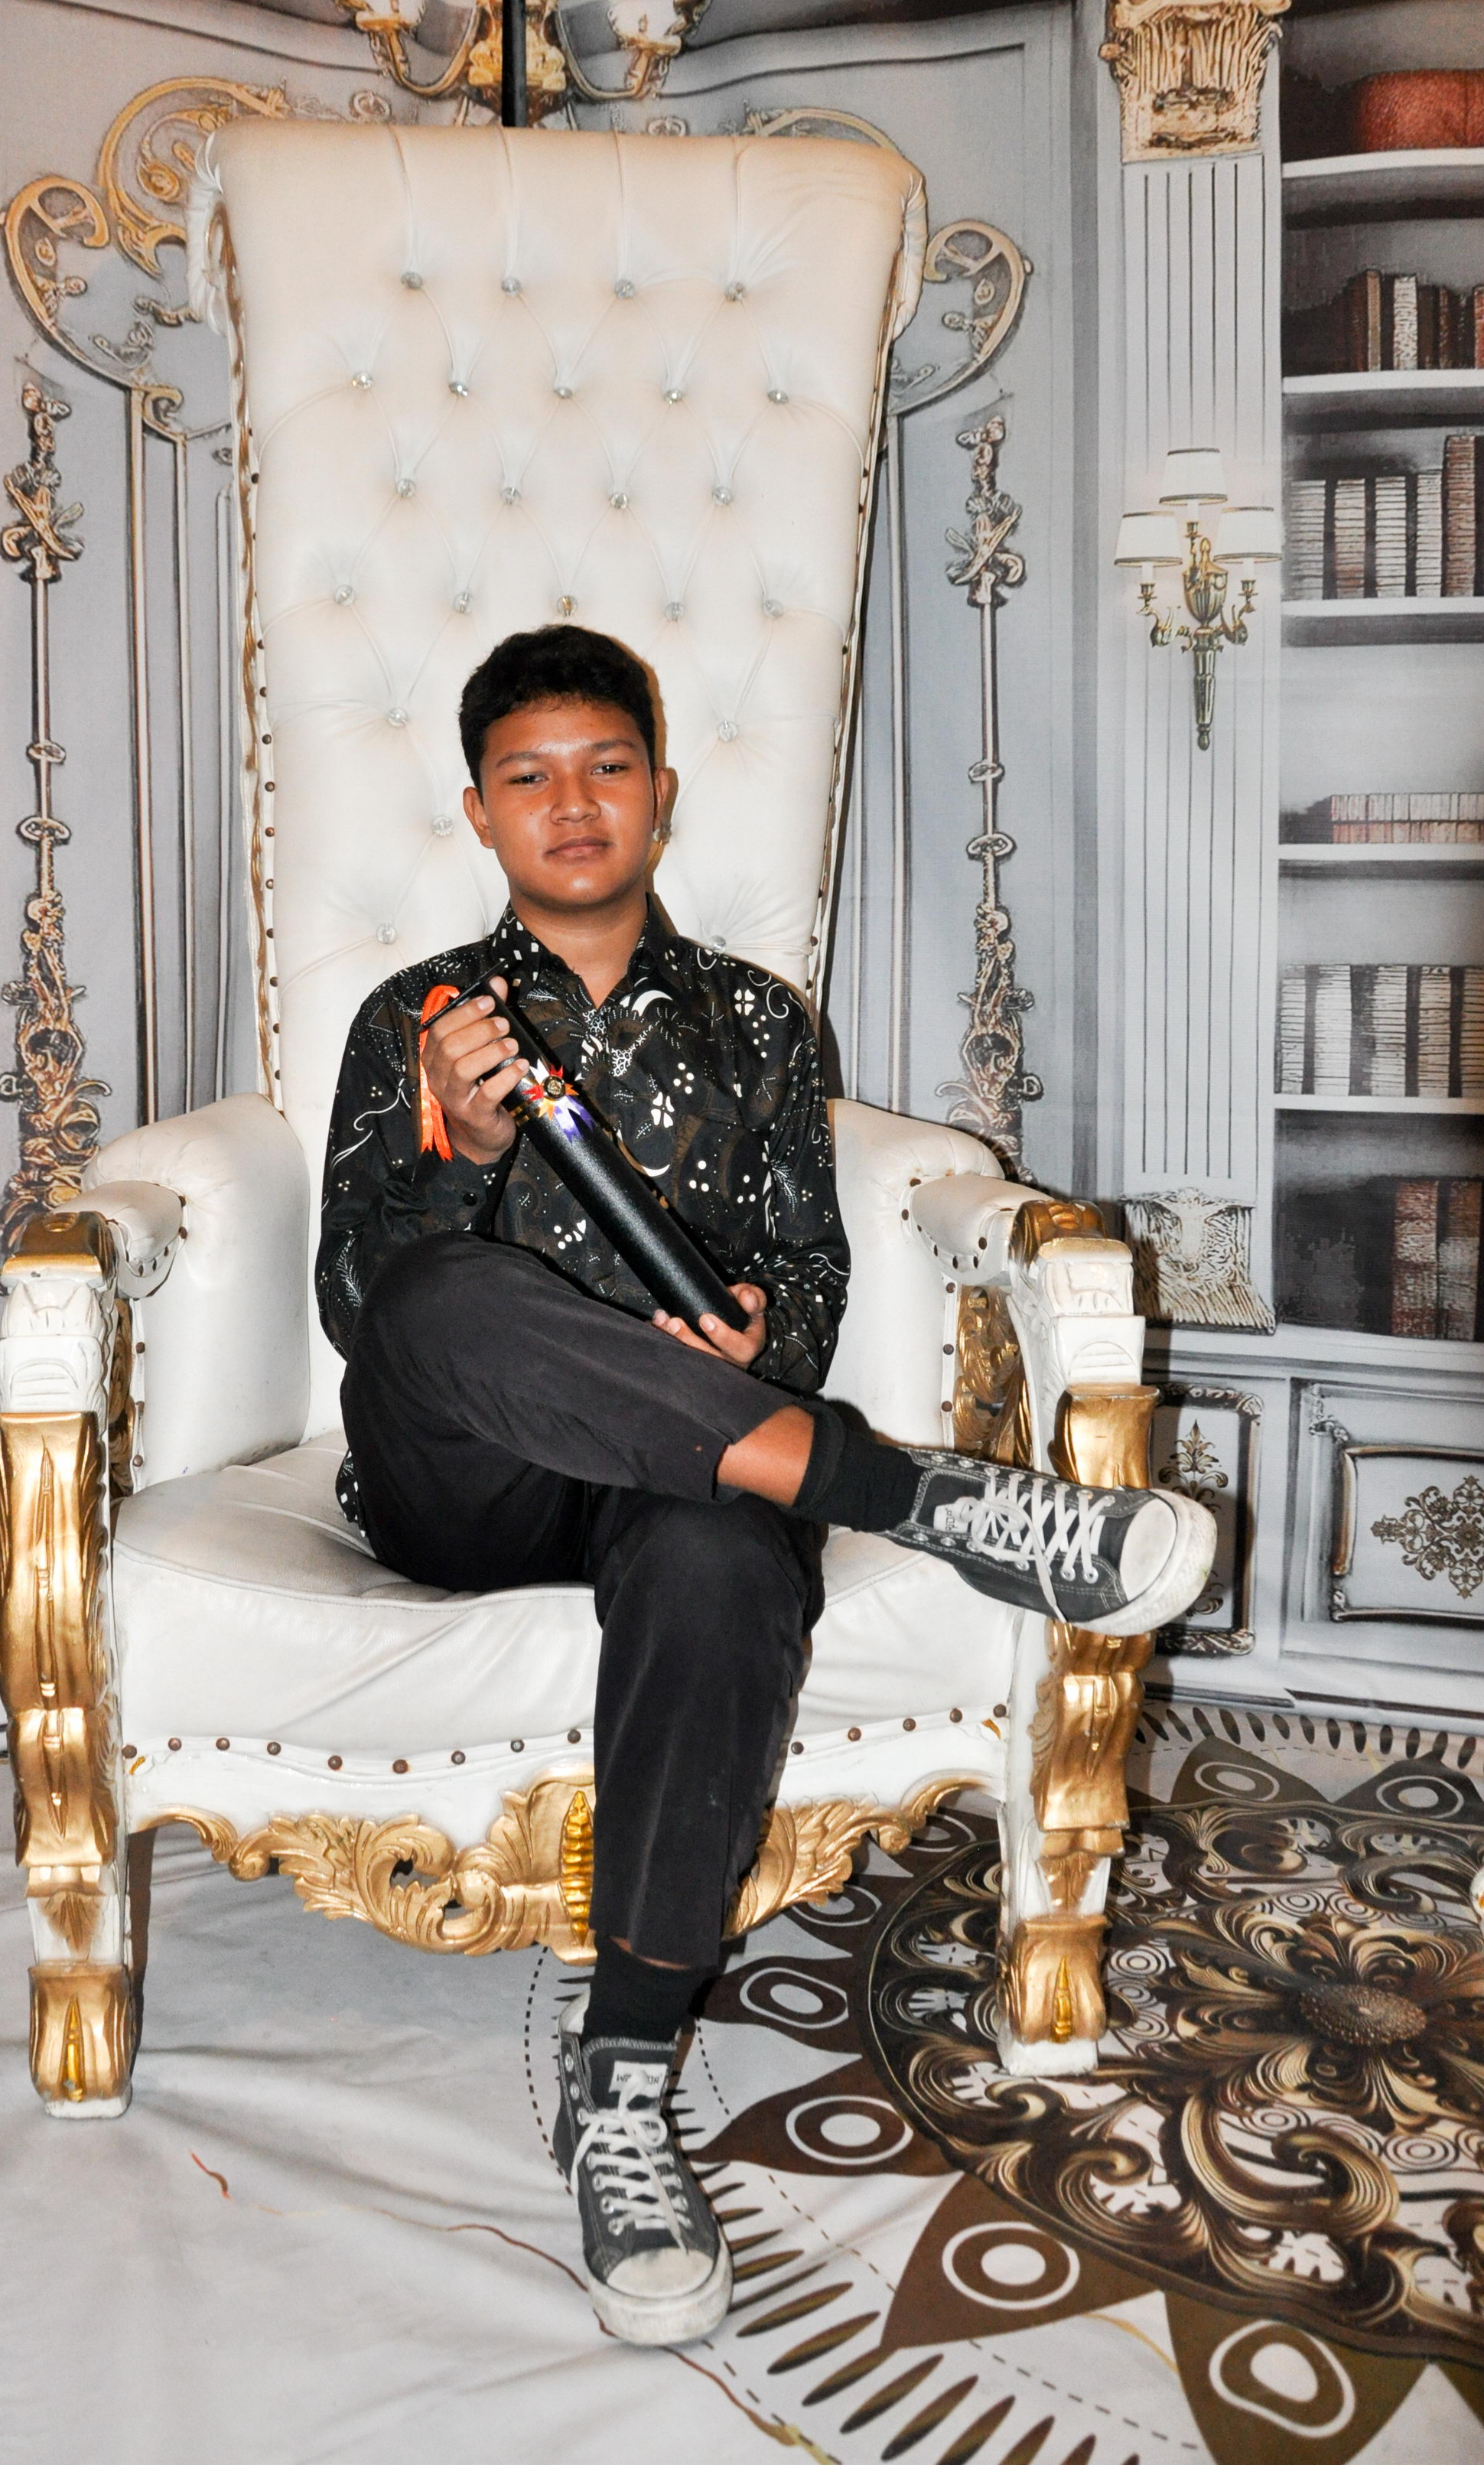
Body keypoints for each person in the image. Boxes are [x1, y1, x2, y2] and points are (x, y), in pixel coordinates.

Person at [318, 624, 1214, 2349]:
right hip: (464, 1484)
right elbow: (360, 1306)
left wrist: (755, 1337)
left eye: (605, 767)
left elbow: (807, 1275)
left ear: (659, 791)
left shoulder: (757, 1021)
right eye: (528, 776)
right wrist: (463, 1154)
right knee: (435, 1294)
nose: (572, 803)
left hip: (693, 1459)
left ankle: (625, 2079)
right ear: (478, 810)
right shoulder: (419, 1018)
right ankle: (922, 1497)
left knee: (726, 1556)